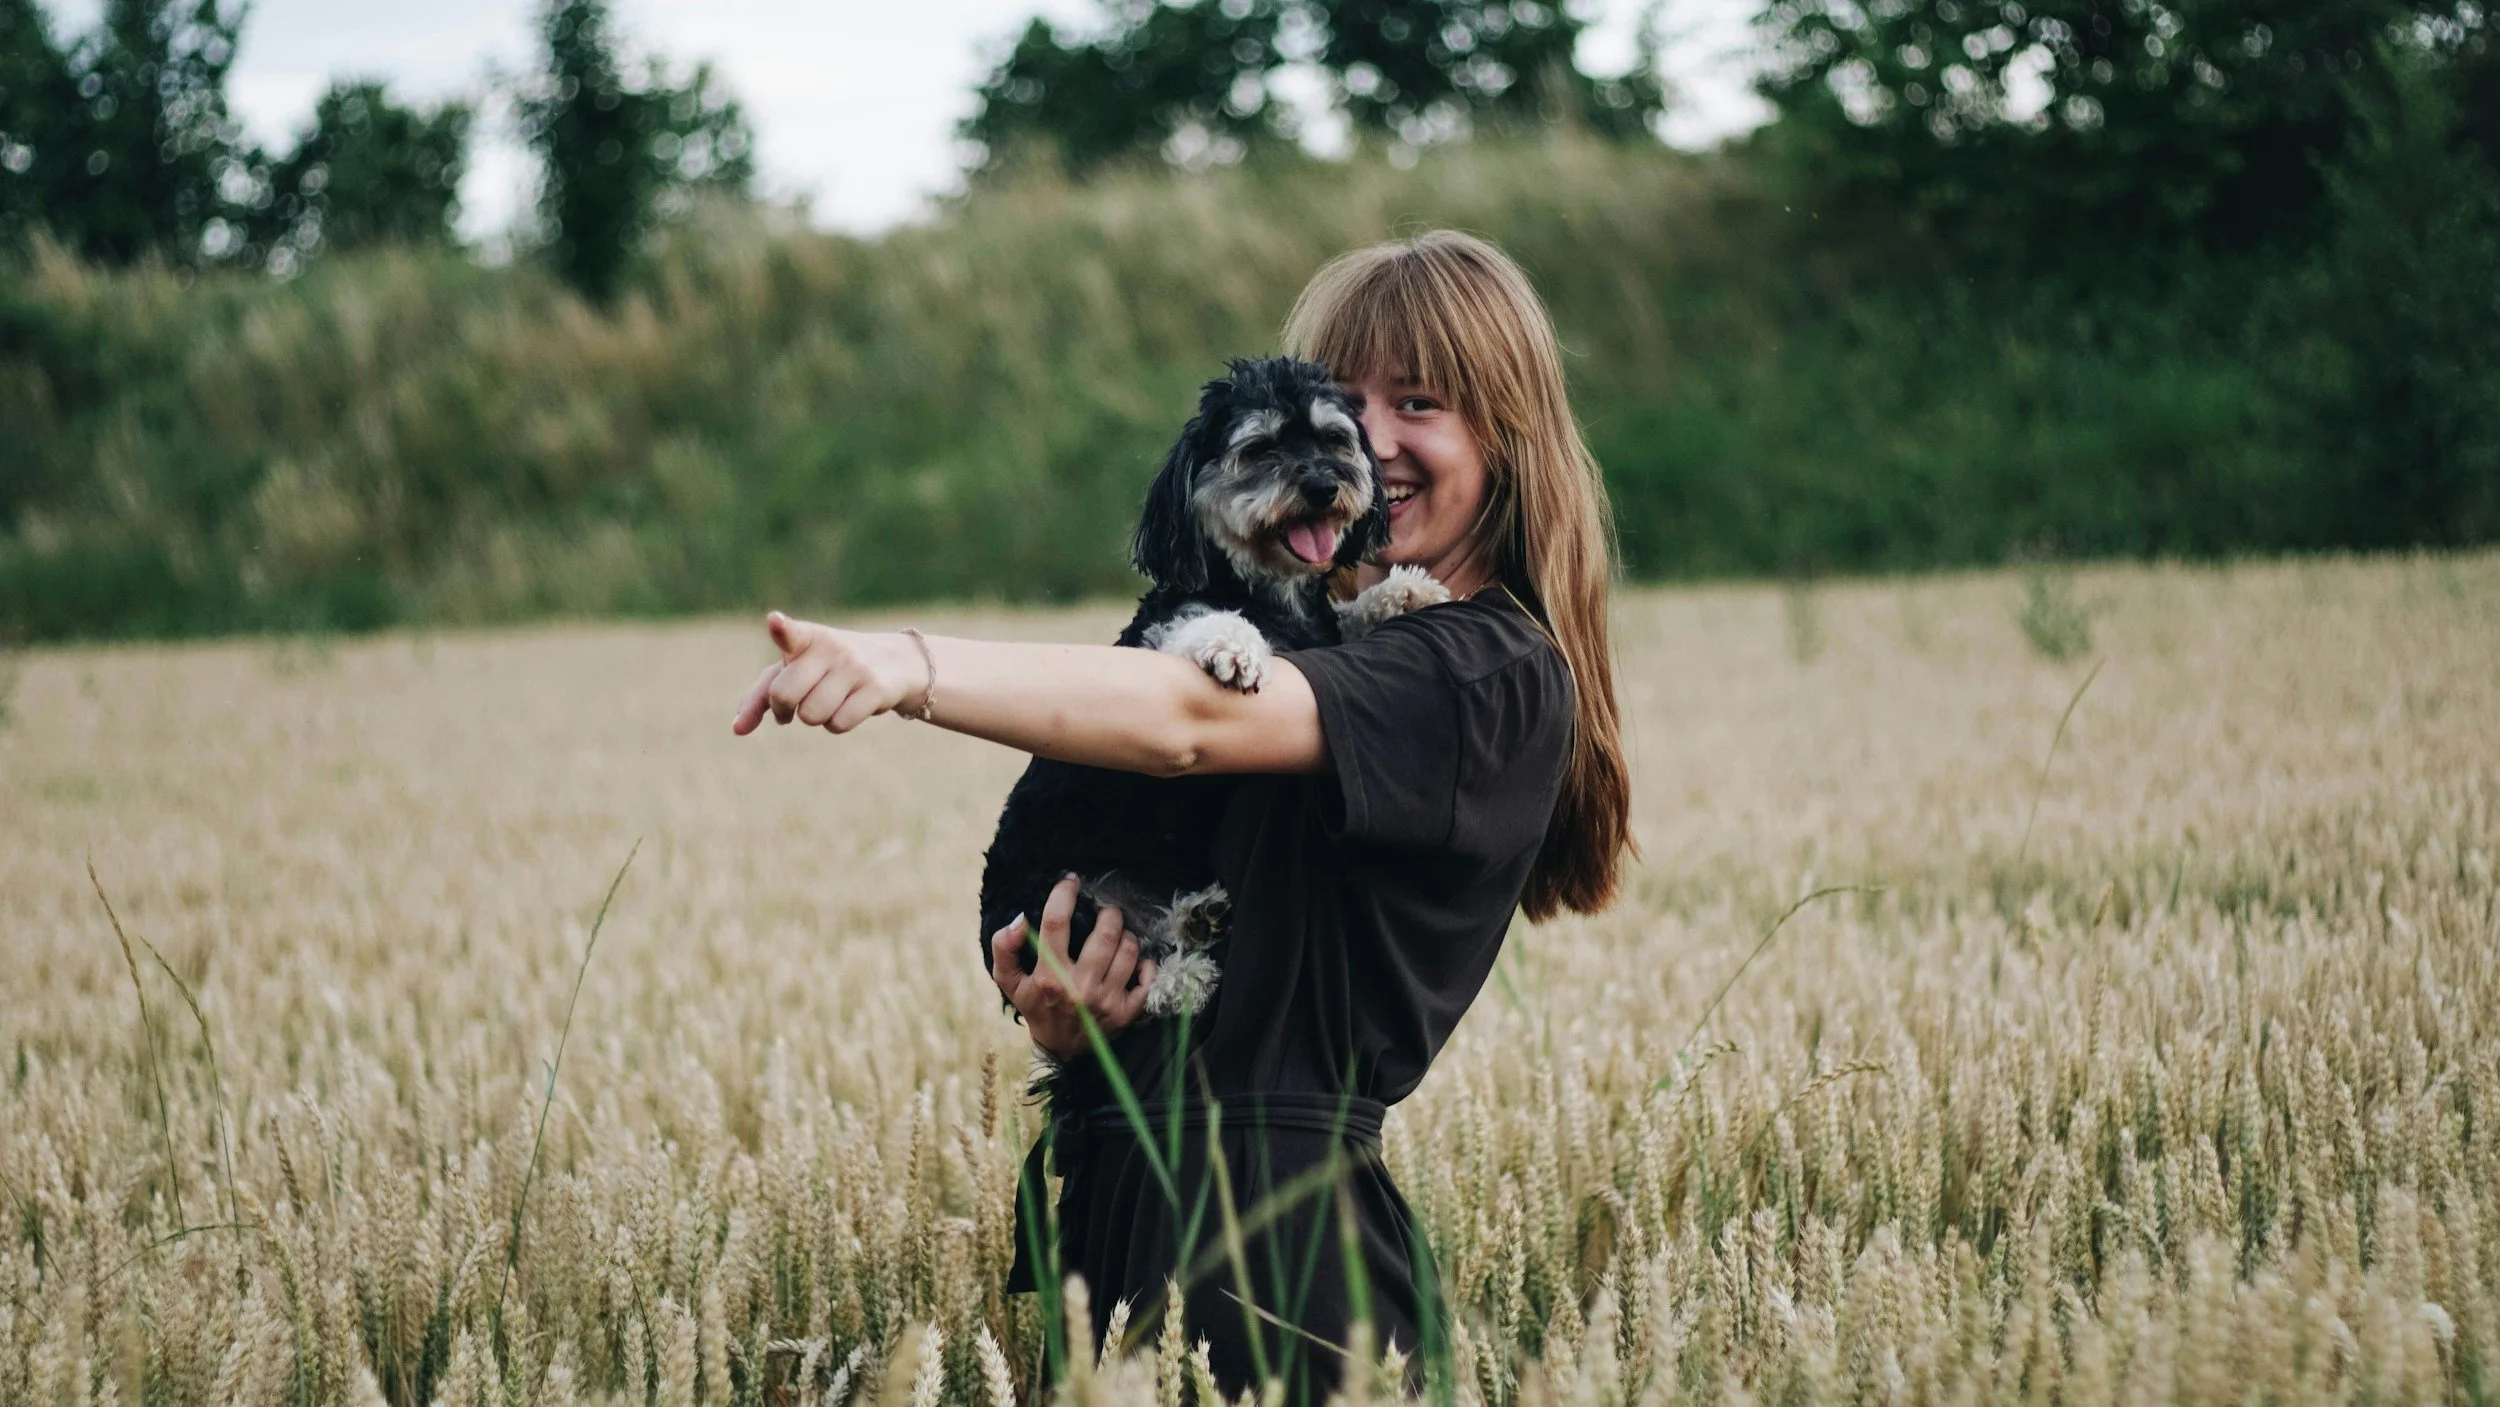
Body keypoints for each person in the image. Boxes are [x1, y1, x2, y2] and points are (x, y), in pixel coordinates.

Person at [729, 231, 1633, 1402]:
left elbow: (1184, 718)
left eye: (1419, 403)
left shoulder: (1480, 668)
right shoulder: (1327, 643)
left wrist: (907, 665)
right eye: (1346, 402)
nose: (1367, 442)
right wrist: (1086, 1024)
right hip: (1125, 1211)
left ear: (1506, 441)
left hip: (1275, 1263)